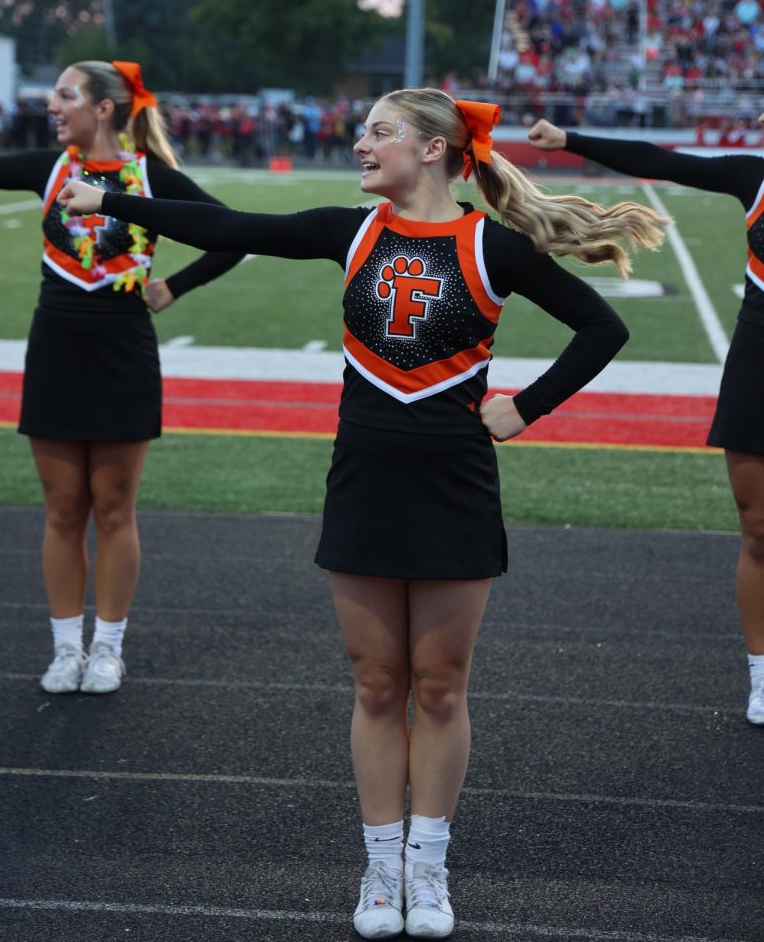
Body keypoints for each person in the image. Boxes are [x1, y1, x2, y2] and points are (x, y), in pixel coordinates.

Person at [60, 88, 666, 940]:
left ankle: (430, 864)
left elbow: (601, 328)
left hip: (454, 483)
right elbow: (232, 229)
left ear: (431, 150)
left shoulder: (492, 246)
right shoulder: (350, 231)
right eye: (363, 129)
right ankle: (381, 868)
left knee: (441, 687)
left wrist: (526, 408)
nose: (360, 143)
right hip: (364, 478)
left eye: (379, 131)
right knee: (378, 683)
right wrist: (111, 197)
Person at [0, 61, 245, 696]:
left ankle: (108, 650)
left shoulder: (149, 176)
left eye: (64, 96)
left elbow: (231, 234)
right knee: (63, 509)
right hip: (57, 348)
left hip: (123, 351)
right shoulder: (47, 167)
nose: (51, 105)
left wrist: (174, 286)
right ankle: (66, 648)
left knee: (115, 510)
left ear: (106, 109)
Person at [527, 114, 764, 729]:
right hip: (759, 358)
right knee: (759, 528)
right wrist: (569, 140)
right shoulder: (754, 176)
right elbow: (660, 160)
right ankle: (763, 675)